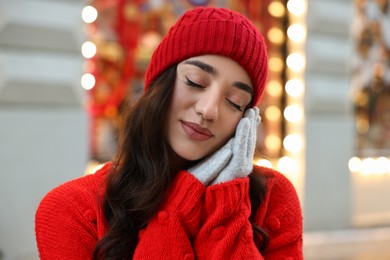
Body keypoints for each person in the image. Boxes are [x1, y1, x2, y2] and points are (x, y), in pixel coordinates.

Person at [35, 6, 302, 260]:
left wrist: (226, 202)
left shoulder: (274, 197)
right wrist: (179, 205)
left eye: (234, 101)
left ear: (246, 120)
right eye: (195, 82)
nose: (209, 110)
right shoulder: (69, 209)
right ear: (159, 84)